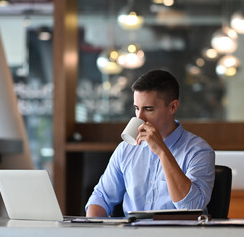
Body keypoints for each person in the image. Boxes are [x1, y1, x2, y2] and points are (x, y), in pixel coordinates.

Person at [85, 70, 215, 217]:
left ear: (173, 107)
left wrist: (162, 151)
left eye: (148, 109)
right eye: (136, 108)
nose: (140, 117)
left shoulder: (199, 150)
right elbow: (101, 198)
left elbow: (192, 207)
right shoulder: (126, 149)